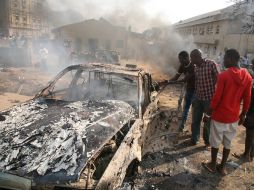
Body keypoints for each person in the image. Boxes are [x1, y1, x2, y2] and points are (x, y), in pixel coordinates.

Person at [202, 49, 252, 175]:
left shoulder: (224, 76)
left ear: (231, 59)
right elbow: (247, 98)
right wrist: (243, 114)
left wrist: (208, 114)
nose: (223, 61)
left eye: (225, 58)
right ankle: (222, 167)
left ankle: (213, 165)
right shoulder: (247, 76)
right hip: (234, 117)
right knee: (228, 142)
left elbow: (216, 98)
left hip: (219, 116)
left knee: (215, 141)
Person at [159, 51, 195, 132]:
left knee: (194, 112)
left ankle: (193, 132)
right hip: (188, 89)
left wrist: (169, 82)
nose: (179, 61)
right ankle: (181, 127)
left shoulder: (192, 66)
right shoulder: (182, 65)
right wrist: (167, 81)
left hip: (196, 91)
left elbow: (184, 80)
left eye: (181, 59)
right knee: (185, 109)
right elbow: (176, 77)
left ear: (186, 58)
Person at [190, 49, 219, 146]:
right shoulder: (195, 67)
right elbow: (197, 83)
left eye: (192, 57)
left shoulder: (211, 64)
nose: (191, 60)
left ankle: (207, 141)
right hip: (198, 97)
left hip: (209, 99)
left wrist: (215, 98)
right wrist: (195, 97)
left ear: (198, 57)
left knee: (208, 122)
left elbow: (218, 81)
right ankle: (194, 139)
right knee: (195, 120)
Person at [233, 58, 254, 162]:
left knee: (250, 131)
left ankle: (246, 154)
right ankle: (251, 154)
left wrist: (244, 113)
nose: (252, 67)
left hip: (252, 110)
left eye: (253, 65)